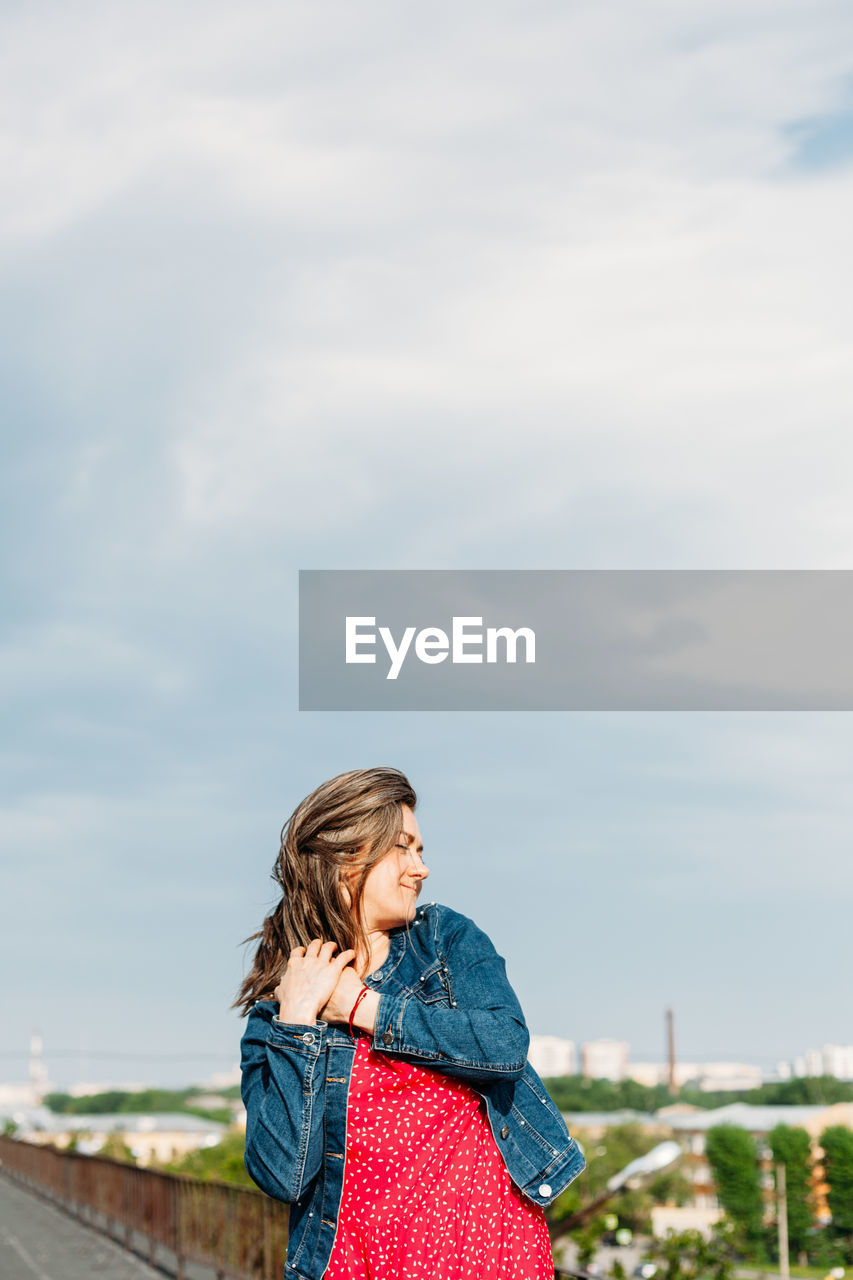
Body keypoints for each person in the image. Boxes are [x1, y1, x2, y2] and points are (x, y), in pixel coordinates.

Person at [236, 767, 585, 1279]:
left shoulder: (444, 943)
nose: (420, 869)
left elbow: (504, 1045)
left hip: (486, 1257)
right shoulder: (277, 1013)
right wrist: (296, 1022)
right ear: (346, 860)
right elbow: (281, 1176)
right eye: (405, 848)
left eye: (420, 851)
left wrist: (362, 1008)